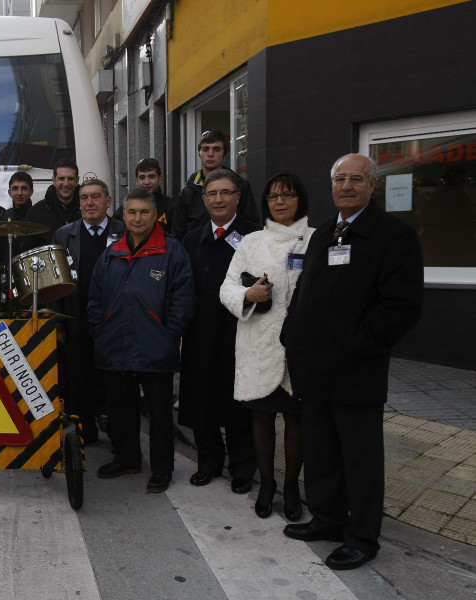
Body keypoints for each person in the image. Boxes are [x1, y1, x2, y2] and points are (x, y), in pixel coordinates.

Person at [281, 154, 423, 571]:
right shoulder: (326, 231)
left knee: (359, 459)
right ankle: (327, 519)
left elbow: (402, 307)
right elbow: (306, 289)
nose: (346, 186)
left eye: (356, 179)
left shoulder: (393, 236)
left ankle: (362, 537)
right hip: (315, 367)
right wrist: (292, 332)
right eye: (339, 179)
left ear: (371, 186)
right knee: (322, 453)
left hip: (357, 369)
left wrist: (358, 344)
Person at [219, 173, 315, 520]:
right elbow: (226, 286)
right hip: (259, 342)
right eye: (273, 196)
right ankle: (267, 483)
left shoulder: (315, 240)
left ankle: (291, 486)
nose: (280, 201)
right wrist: (248, 295)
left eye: (288, 195)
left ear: (300, 199)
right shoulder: (251, 241)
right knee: (261, 415)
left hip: (299, 346)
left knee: (295, 418)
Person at [88, 188, 195, 493]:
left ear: (155, 215)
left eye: (144, 212)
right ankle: (127, 458)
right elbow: (95, 297)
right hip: (114, 345)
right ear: (123, 216)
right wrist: (101, 329)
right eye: (132, 212)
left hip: (155, 347)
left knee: (160, 414)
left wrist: (167, 333)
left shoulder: (172, 251)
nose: (137, 218)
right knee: (120, 408)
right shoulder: (111, 253)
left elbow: (184, 301)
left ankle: (162, 469)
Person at [178, 168, 260, 495]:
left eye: (226, 192)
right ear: (204, 200)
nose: (218, 199)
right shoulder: (191, 239)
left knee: (239, 405)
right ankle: (208, 462)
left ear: (238, 198)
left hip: (241, 334)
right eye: (212, 194)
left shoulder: (254, 238)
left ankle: (242, 469)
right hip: (200, 334)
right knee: (202, 403)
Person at [52, 179, 125, 443]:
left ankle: (117, 432)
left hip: (114, 318)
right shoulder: (64, 234)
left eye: (96, 197)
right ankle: (87, 432)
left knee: (112, 377)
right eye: (84, 198)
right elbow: (55, 281)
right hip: (76, 316)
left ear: (108, 200)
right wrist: (59, 324)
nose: (89, 203)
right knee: (79, 376)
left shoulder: (123, 230)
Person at [174, 130, 257, 240]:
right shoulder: (188, 191)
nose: (210, 154)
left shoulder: (240, 186)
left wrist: (231, 243)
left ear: (224, 154)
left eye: (216, 149)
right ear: (199, 153)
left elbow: (252, 227)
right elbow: (178, 233)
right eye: (205, 149)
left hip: (235, 253)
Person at [22, 158, 81, 249]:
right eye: (61, 178)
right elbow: (26, 250)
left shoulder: (87, 209)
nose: (66, 183)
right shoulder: (35, 213)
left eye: (70, 179)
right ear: (54, 180)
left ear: (77, 181)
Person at [113, 158, 178, 234]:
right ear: (136, 181)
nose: (146, 182)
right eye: (142, 177)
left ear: (160, 179)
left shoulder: (171, 207)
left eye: (151, 176)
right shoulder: (126, 207)